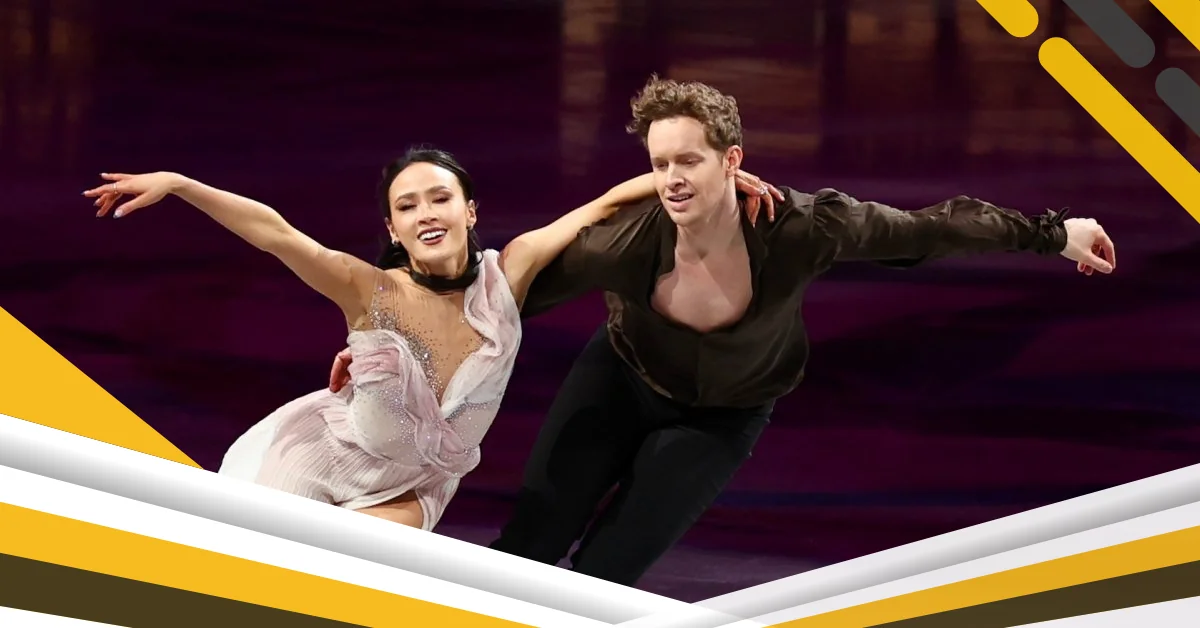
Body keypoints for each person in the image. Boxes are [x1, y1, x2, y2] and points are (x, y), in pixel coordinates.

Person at [330, 75, 1116, 584]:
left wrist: (1054, 233)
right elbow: (493, 304)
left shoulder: (802, 228)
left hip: (723, 419)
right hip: (619, 381)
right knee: (529, 545)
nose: (672, 180)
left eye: (690, 161)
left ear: (732, 160)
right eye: (659, 164)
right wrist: (388, 350)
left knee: (604, 577)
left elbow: (927, 228)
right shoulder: (623, 244)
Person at [81, 146, 784, 532]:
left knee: (364, 588)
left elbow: (601, 206)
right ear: (392, 229)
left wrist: (706, 180)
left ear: (469, 210)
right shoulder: (368, 290)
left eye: (440, 197)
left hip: (418, 482)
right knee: (261, 577)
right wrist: (182, 183)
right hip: (323, 458)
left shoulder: (509, 274)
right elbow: (276, 234)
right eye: (407, 206)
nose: (426, 213)